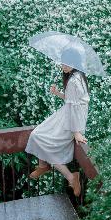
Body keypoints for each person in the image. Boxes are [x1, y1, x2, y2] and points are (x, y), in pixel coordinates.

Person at [24, 48, 90, 197]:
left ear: (75, 63)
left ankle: (71, 177)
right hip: (68, 114)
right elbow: (71, 100)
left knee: (45, 142)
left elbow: (75, 106)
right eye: (62, 63)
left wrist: (76, 132)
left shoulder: (74, 80)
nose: (63, 66)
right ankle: (43, 166)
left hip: (72, 119)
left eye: (67, 63)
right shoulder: (78, 76)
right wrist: (57, 93)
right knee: (37, 134)